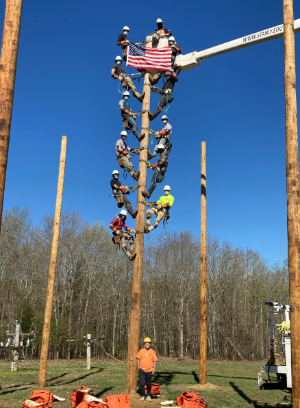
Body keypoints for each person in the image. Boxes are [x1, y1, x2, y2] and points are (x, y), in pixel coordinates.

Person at [137, 337, 158, 402]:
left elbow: (155, 361)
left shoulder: (153, 352)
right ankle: (143, 395)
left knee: (148, 384)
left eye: (148, 343)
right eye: (146, 343)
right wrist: (138, 367)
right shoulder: (141, 351)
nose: (147, 344)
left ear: (150, 344)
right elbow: (138, 359)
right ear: (144, 344)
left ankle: (148, 395)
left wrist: (154, 369)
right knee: (141, 383)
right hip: (142, 370)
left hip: (149, 370)